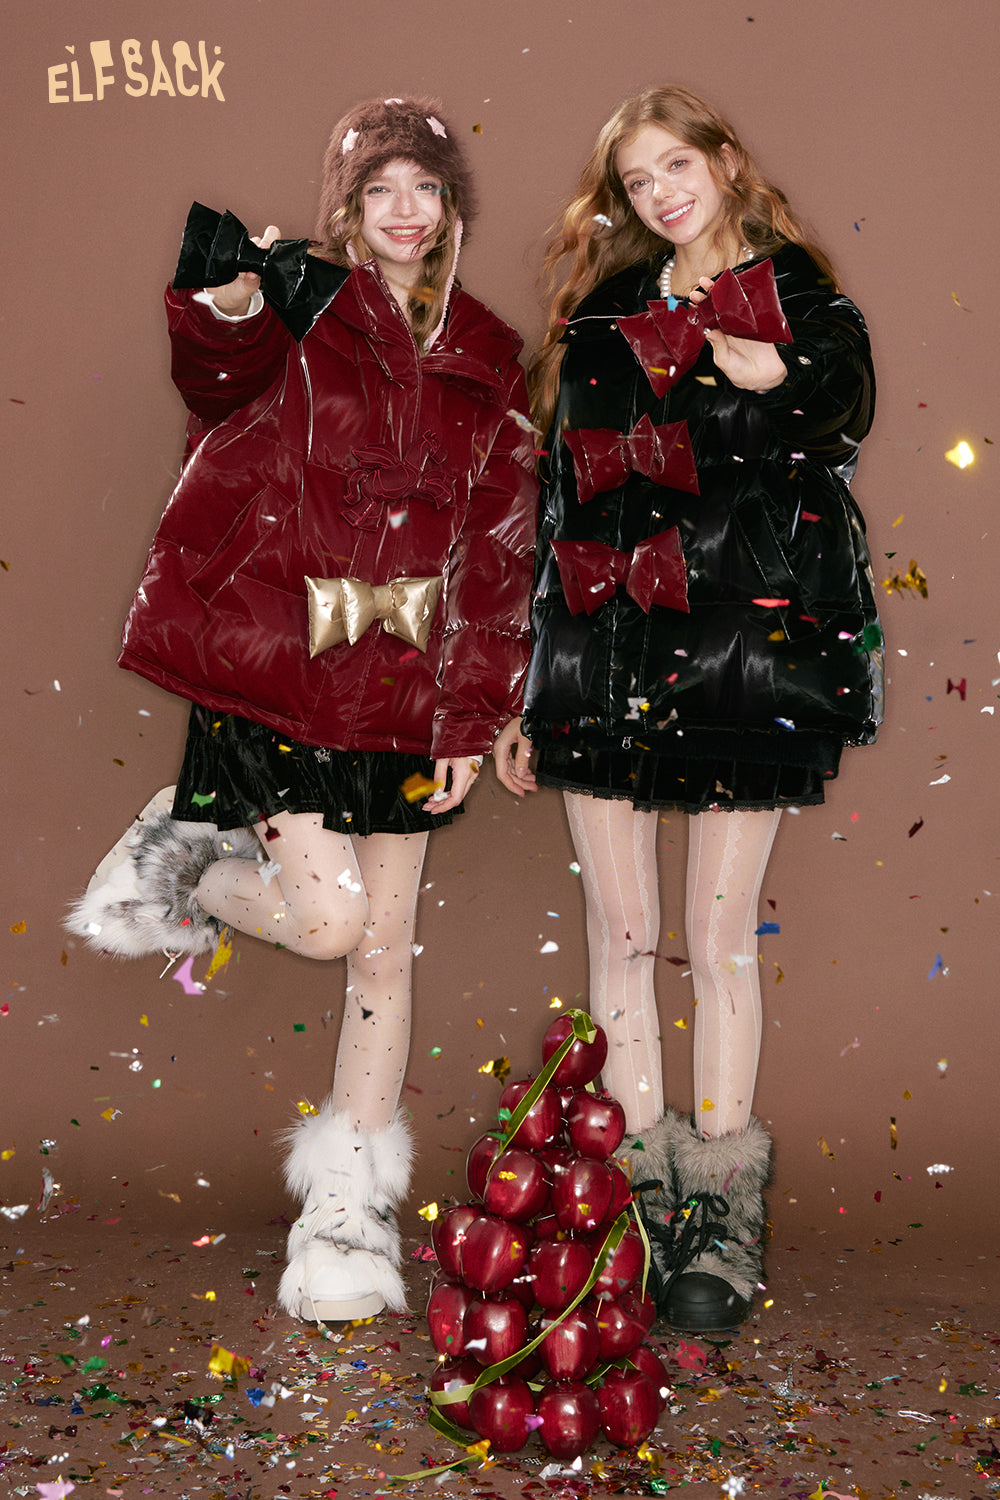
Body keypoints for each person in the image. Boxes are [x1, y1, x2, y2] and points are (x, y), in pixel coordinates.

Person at [68, 96, 536, 1324]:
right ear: (348, 205)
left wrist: (470, 720)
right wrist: (228, 307)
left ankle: (345, 1217)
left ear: (450, 208)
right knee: (329, 925)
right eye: (380, 188)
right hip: (279, 670)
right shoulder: (299, 305)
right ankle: (180, 855)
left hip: (404, 692)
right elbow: (216, 381)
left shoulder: (490, 355)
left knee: (384, 948)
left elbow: (496, 558)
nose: (403, 211)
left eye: (424, 188)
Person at [494, 85, 882, 1332]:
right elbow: (559, 502)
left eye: (676, 165)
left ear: (723, 161)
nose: (660, 193)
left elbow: (839, 418)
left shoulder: (798, 299)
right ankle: (635, 1201)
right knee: (619, 936)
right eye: (636, 180)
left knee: (715, 945)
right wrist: (526, 687)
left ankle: (719, 1216)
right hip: (601, 652)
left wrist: (776, 382)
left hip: (735, 660)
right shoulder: (604, 313)